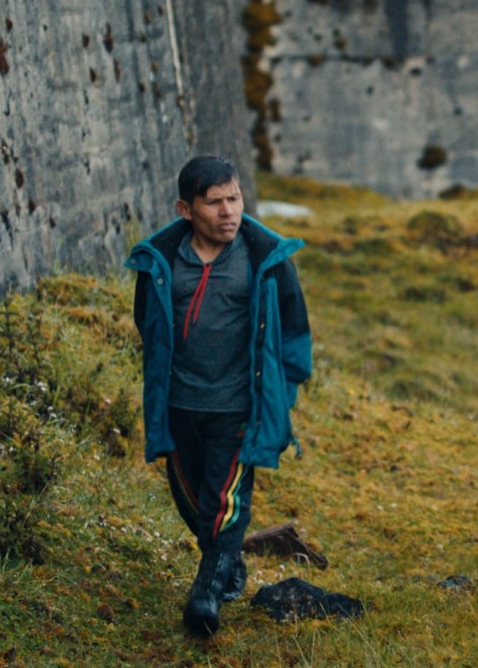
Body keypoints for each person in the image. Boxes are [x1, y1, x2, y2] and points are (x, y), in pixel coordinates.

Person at [126, 156, 313, 636]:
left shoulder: (265, 259)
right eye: (214, 202)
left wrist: (283, 391)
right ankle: (229, 562)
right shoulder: (160, 261)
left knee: (226, 499)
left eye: (235, 198)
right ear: (186, 210)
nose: (229, 211)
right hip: (179, 406)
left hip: (238, 408)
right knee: (193, 501)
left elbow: (294, 329)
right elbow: (147, 322)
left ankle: (205, 596)